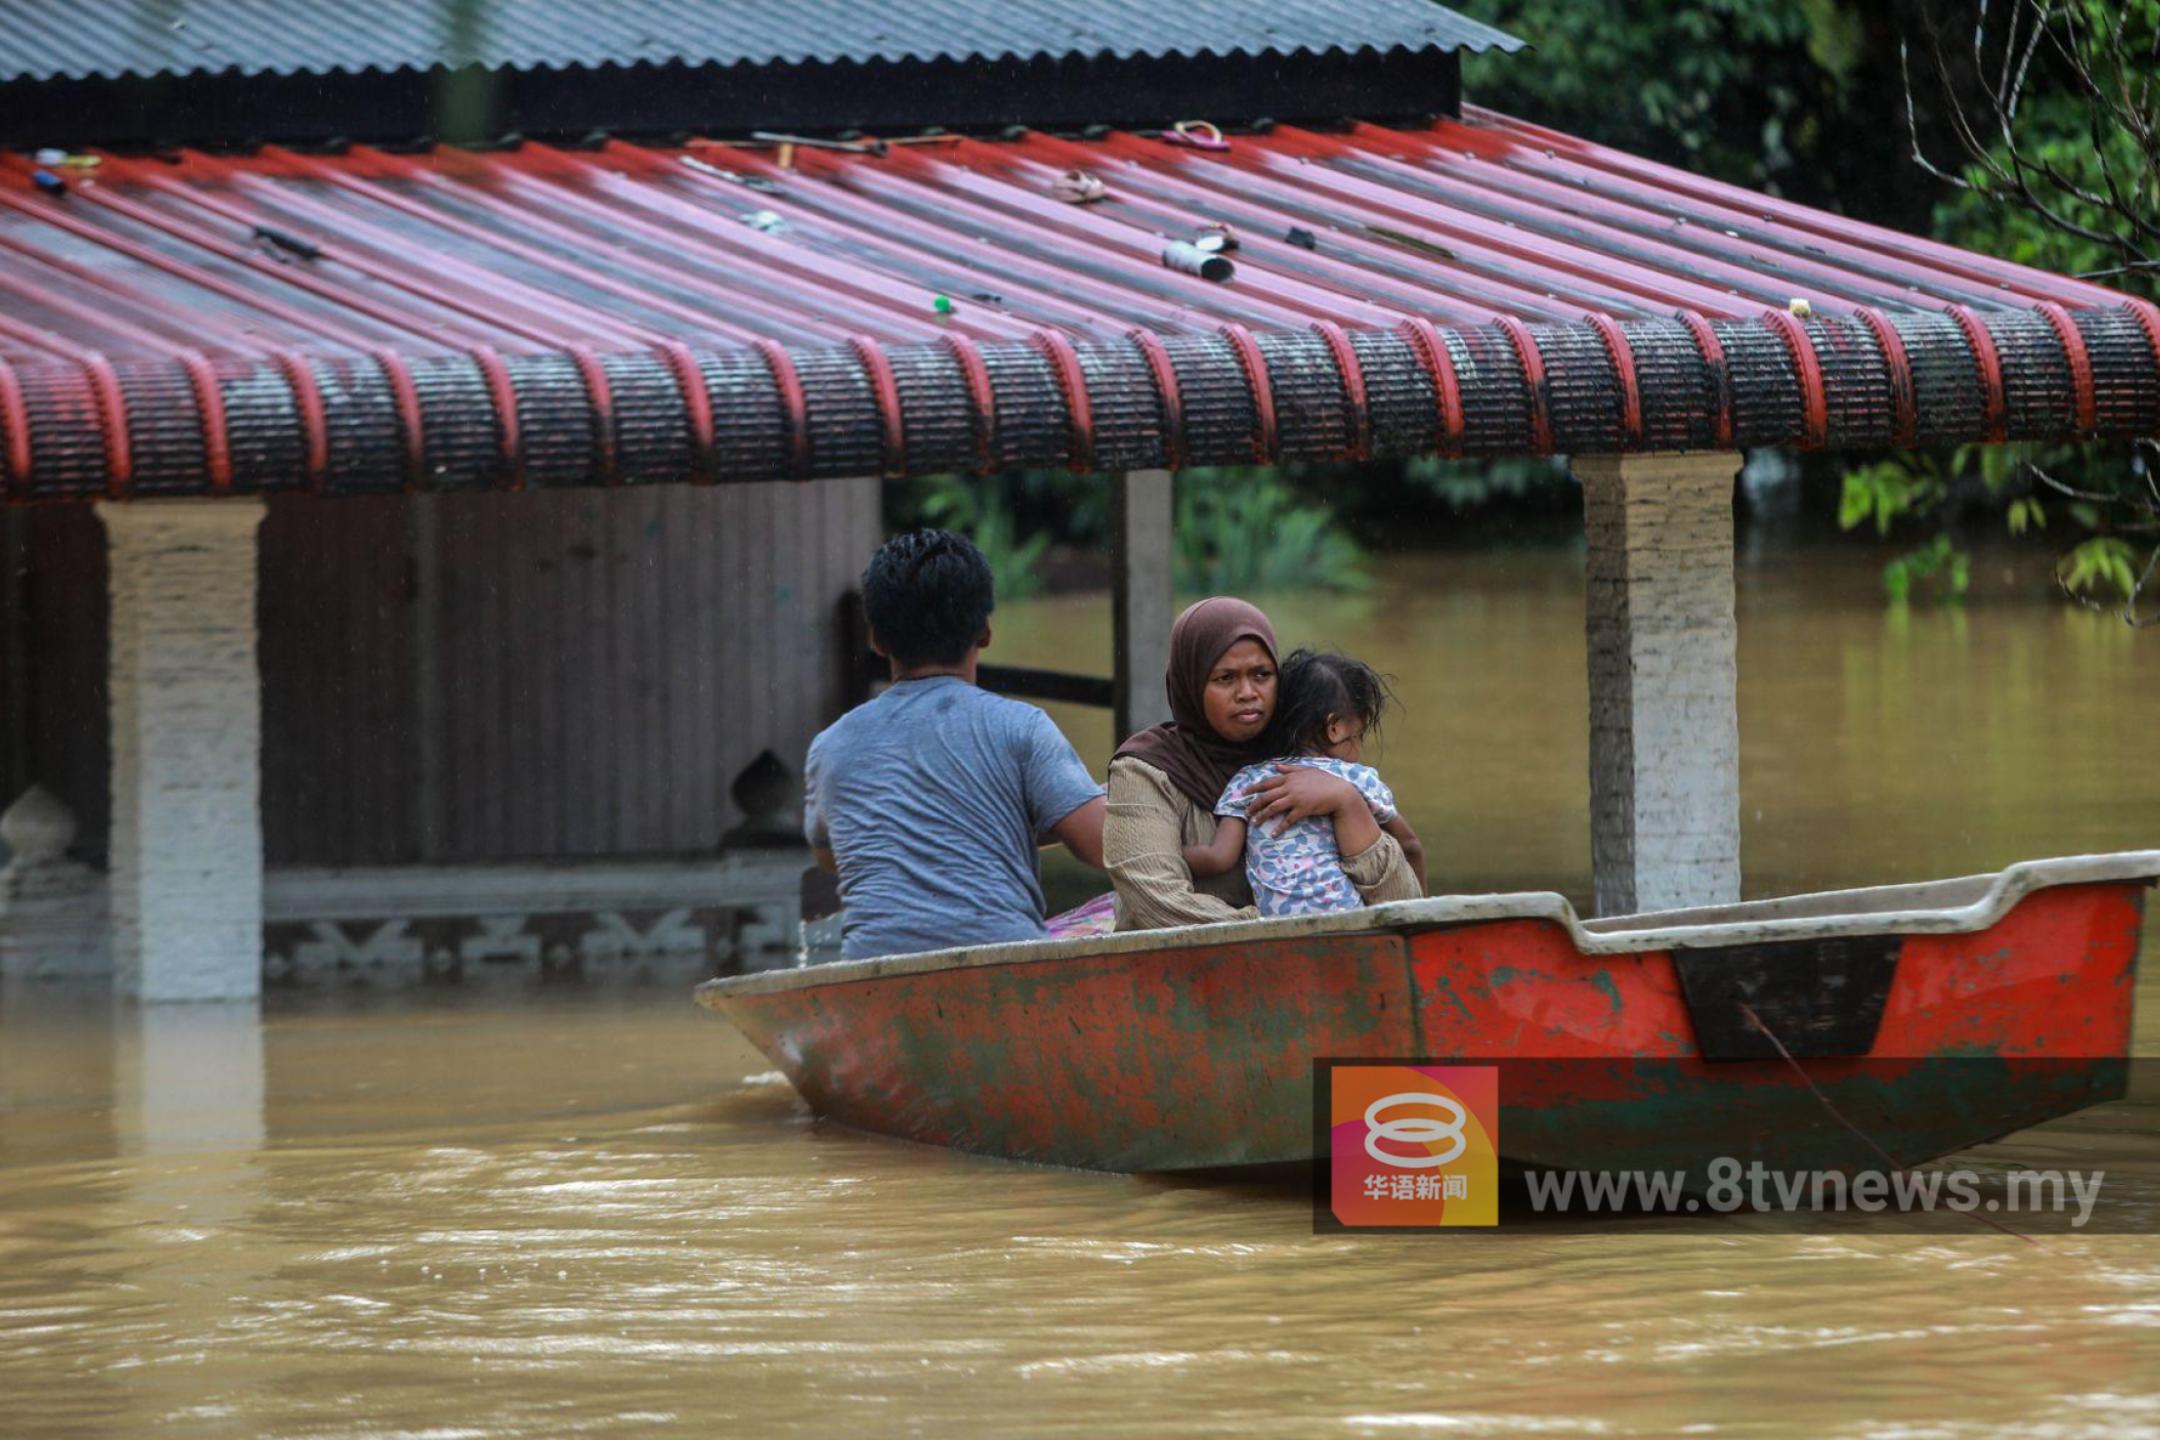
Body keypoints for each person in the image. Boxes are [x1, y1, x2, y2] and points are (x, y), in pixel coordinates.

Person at [805, 530, 1107, 961]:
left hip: (871, 972)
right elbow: (1103, 846)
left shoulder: (829, 747)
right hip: (1005, 965)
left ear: (877, 639)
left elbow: (832, 855)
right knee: (1115, 909)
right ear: (984, 632)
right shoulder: (1021, 726)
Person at [1103, 597, 1422, 930]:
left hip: (1323, 959)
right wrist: (1288, 930)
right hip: (1188, 971)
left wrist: (1347, 803)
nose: (1247, 693)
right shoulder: (1145, 770)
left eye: (1262, 674)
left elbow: (1403, 904)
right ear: (1190, 684)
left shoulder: (1306, 760)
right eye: (1225, 678)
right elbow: (1158, 903)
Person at [1181, 649, 1426, 916]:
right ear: (1335, 728)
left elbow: (1218, 858)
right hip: (1349, 918)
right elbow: (1410, 845)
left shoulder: (1248, 781)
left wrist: (1165, 854)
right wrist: (1425, 912)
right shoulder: (1356, 778)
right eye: (1360, 733)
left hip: (1277, 927)